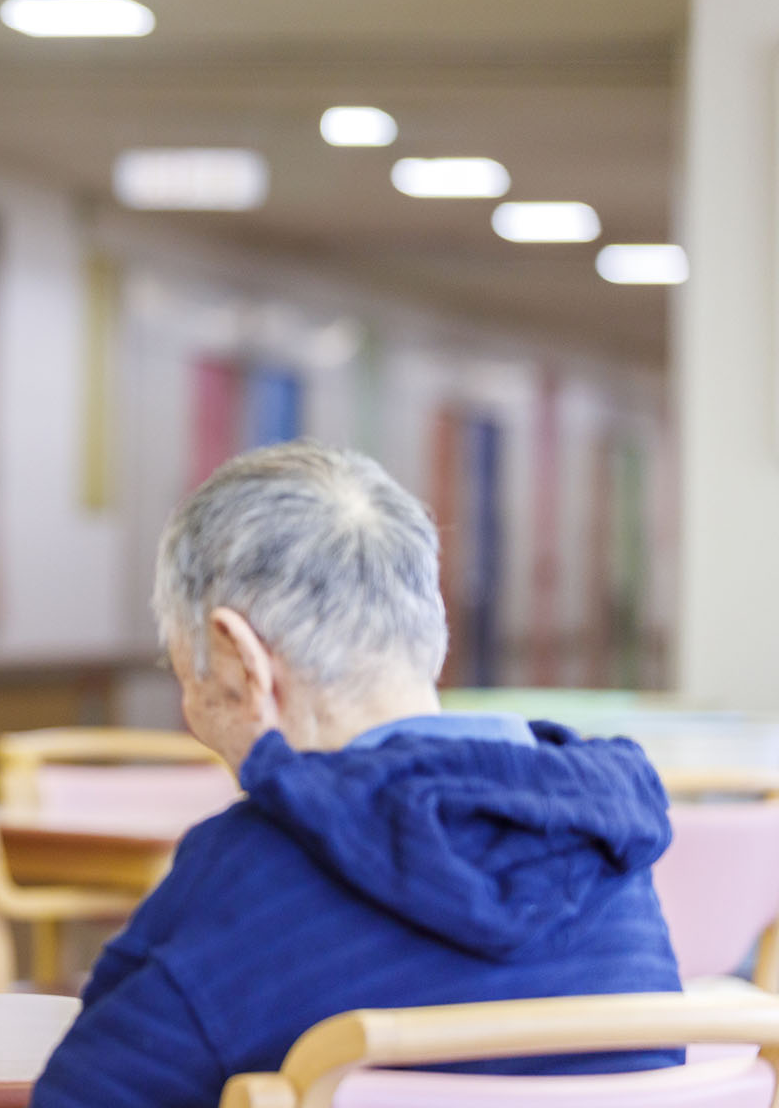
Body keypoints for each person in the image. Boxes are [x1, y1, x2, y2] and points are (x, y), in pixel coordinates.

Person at [33, 442, 681, 1107]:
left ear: (238, 659)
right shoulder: (611, 850)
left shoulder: (253, 871)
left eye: (182, 668)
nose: (189, 703)